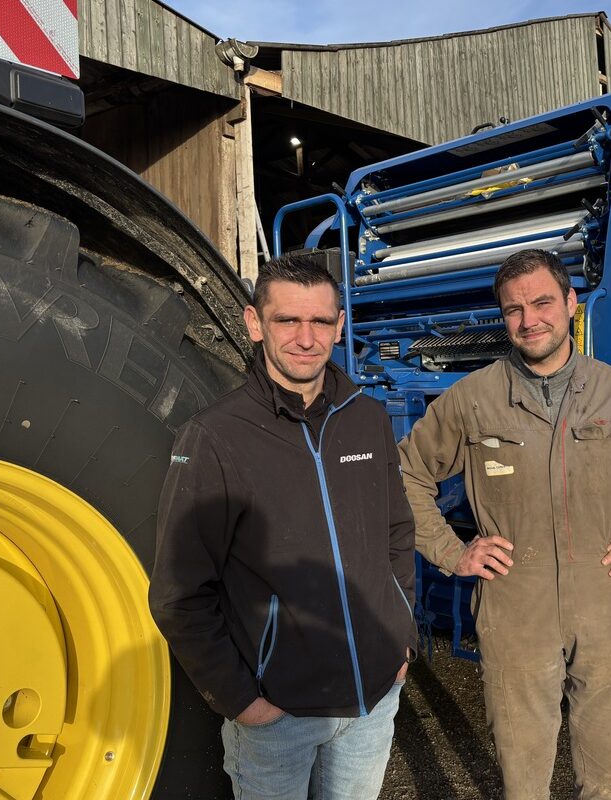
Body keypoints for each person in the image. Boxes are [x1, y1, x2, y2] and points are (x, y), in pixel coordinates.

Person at [398, 248, 611, 800]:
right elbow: (406, 473)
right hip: (516, 606)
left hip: (607, 599)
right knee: (522, 776)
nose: (529, 319)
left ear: (570, 304)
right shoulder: (475, 399)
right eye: (513, 309)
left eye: (542, 302)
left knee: (606, 776)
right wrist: (453, 551)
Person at [149, 253, 416, 800]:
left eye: (320, 321)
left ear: (340, 326)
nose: (305, 337)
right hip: (279, 715)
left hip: (372, 701)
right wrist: (243, 702)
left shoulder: (366, 417)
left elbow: (395, 532)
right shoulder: (216, 437)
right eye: (286, 320)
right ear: (254, 323)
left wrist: (400, 641)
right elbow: (179, 594)